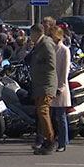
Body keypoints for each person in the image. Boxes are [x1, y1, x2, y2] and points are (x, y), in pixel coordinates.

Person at [26, 24, 58, 155]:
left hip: (46, 84)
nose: (30, 37)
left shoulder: (46, 44)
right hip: (40, 84)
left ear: (36, 33)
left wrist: (35, 67)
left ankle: (50, 140)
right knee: (40, 113)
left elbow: (51, 64)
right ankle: (46, 140)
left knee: (43, 111)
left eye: (31, 34)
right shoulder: (39, 45)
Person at [50, 26, 71, 152]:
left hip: (60, 88)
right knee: (50, 116)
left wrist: (61, 87)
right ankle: (52, 140)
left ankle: (63, 142)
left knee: (61, 115)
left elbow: (65, 71)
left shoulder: (64, 50)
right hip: (51, 86)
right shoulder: (51, 49)